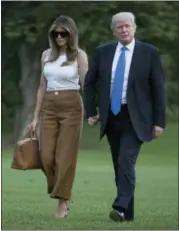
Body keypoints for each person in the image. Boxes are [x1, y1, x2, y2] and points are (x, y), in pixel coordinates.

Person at [84, 12, 166, 222]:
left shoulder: (149, 53)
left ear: (134, 28)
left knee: (125, 160)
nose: (124, 30)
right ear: (114, 30)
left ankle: (119, 206)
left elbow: (158, 89)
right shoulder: (103, 52)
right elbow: (90, 82)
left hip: (137, 117)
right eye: (119, 27)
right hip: (112, 115)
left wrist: (159, 121)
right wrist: (91, 111)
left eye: (127, 26)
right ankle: (126, 214)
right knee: (118, 164)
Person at [28, 15, 88, 219]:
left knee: (65, 157)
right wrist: (35, 117)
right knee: (45, 156)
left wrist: (93, 111)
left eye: (64, 33)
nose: (60, 37)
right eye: (56, 33)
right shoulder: (46, 54)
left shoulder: (79, 55)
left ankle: (63, 201)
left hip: (72, 106)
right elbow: (42, 86)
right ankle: (63, 190)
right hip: (49, 108)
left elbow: (86, 85)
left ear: (72, 34)